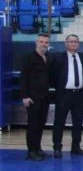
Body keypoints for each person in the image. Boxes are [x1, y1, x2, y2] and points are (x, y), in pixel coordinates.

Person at [50, 34, 83, 157]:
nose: (73, 43)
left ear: (79, 44)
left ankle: (75, 147)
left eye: (75, 41)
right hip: (64, 94)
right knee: (59, 122)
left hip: (79, 95)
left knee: (78, 122)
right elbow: (53, 76)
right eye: (71, 41)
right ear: (66, 44)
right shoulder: (58, 58)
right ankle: (57, 147)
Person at [21, 33, 51, 161]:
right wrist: (25, 96)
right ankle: (31, 151)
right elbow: (24, 77)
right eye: (41, 42)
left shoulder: (48, 57)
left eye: (46, 42)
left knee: (41, 124)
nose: (44, 44)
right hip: (32, 97)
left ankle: (38, 148)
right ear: (36, 43)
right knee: (33, 125)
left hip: (45, 97)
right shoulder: (28, 57)